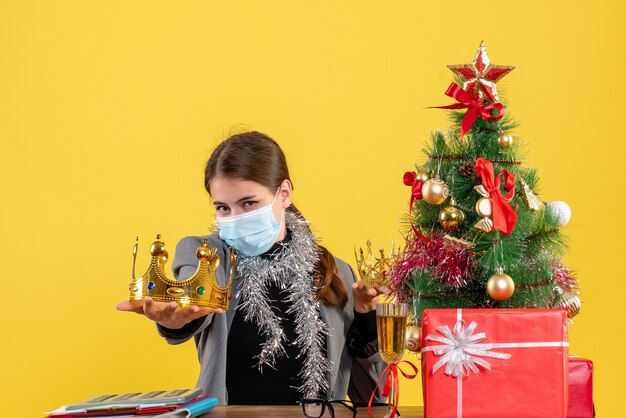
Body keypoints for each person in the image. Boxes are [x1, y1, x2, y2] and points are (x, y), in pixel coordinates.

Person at [117, 131, 386, 406]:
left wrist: (366, 319)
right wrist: (176, 321)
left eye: (248, 203)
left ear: (284, 193)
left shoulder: (336, 273)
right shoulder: (208, 257)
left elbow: (374, 400)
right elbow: (193, 298)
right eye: (223, 208)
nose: (236, 218)